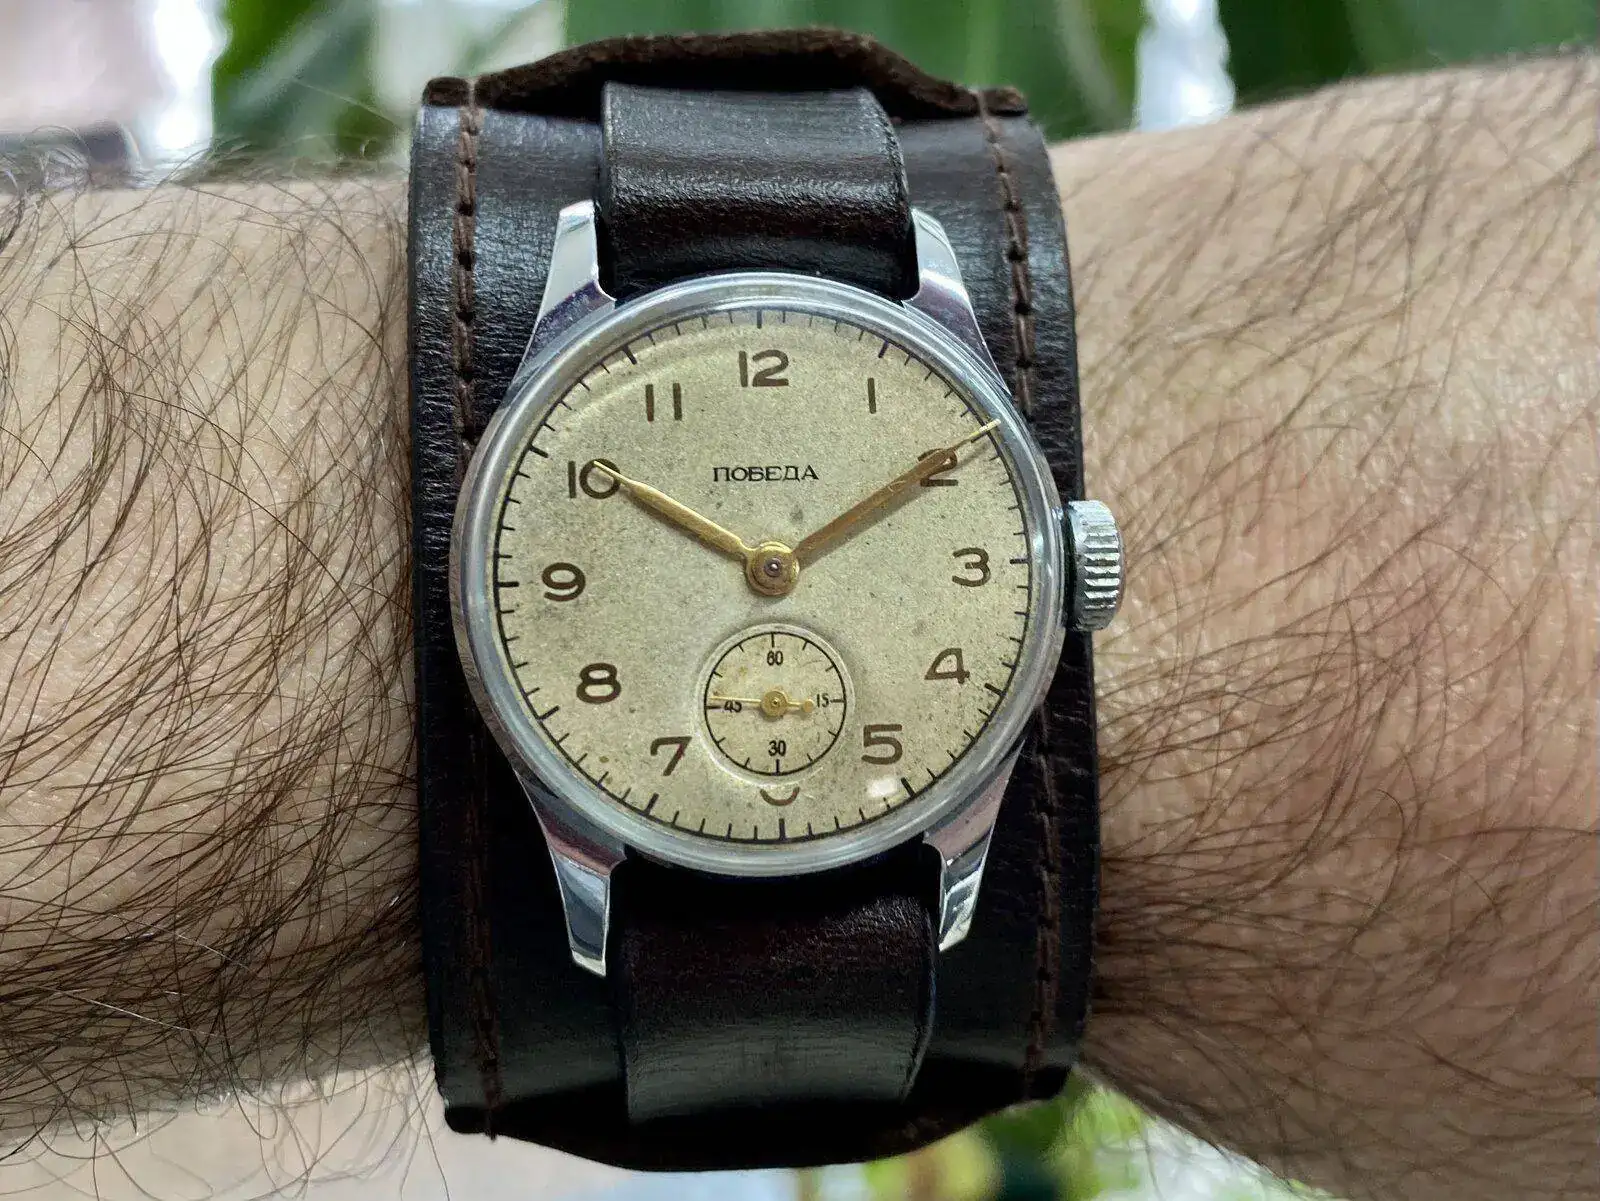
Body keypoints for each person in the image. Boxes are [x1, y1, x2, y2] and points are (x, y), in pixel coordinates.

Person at [0, 51, 1591, 1201]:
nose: (776, 567)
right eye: (764, 552)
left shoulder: (892, 347)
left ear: (1071, 564)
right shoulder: (628, 281)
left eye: (792, 554)